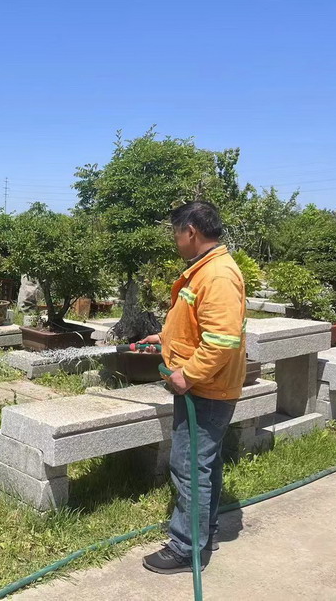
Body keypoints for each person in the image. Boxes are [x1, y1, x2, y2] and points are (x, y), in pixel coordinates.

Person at [139, 201, 247, 574]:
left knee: (189, 467)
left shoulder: (216, 275)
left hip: (206, 389)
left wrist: (188, 375)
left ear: (191, 232)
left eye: (176, 233)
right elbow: (198, 323)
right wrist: (165, 337)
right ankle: (204, 532)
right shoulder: (206, 270)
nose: (175, 241)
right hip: (207, 386)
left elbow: (221, 341)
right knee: (203, 464)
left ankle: (186, 548)